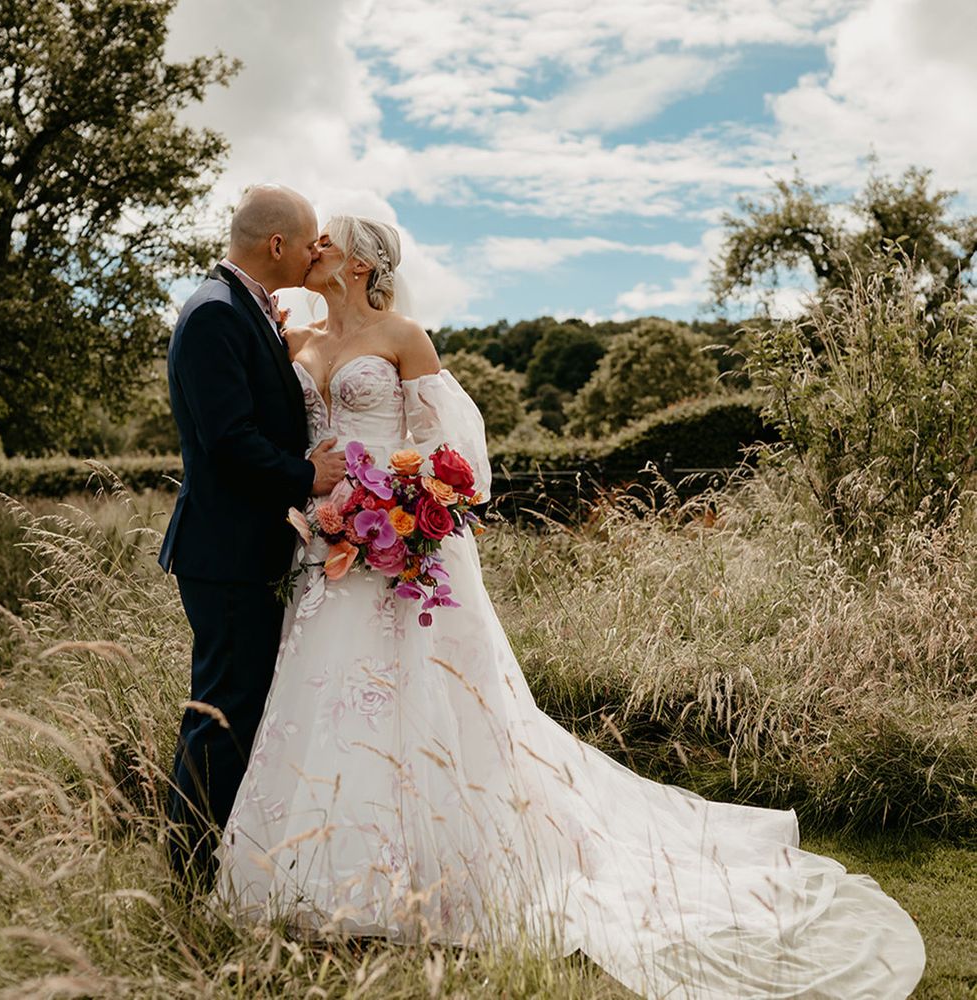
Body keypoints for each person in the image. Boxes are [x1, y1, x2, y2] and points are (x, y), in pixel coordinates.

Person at [215, 215, 926, 998]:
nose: (311, 248)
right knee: (327, 703)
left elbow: (457, 452)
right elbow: (283, 443)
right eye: (307, 240)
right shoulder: (296, 344)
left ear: (356, 262)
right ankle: (318, 877)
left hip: (410, 545)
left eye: (325, 242)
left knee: (430, 701)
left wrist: (415, 511)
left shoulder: (403, 334)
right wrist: (326, 507)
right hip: (331, 553)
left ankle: (445, 876)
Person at [159, 185, 347, 890]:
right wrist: (308, 474)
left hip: (238, 548)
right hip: (224, 552)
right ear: (277, 246)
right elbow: (228, 439)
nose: (314, 253)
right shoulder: (214, 314)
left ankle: (213, 858)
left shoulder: (237, 309)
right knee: (222, 712)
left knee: (233, 704)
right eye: (307, 244)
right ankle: (188, 871)